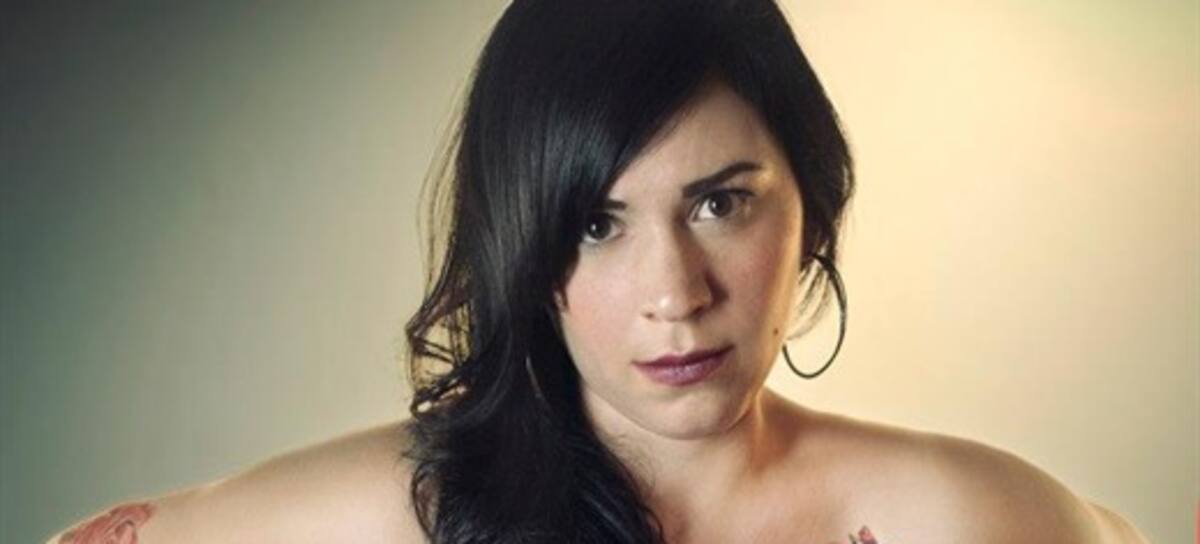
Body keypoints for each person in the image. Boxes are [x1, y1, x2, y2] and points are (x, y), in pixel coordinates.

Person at [46, 1, 1149, 543]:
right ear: (525, 249)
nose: (676, 294)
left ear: (810, 202)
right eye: (594, 224)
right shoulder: (416, 511)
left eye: (720, 203)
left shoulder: (954, 517)